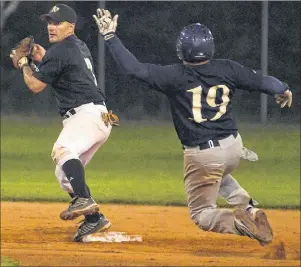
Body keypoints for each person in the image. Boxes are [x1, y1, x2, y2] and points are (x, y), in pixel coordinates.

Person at [93, 9, 293, 246]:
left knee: (201, 214)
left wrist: (110, 37)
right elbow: (261, 81)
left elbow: (134, 69)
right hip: (233, 147)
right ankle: (250, 210)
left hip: (204, 154)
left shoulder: (175, 76)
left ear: (181, 50)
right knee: (220, 174)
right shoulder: (227, 68)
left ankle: (239, 222)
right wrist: (283, 88)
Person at [10, 4, 117, 242]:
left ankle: (84, 200)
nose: (51, 26)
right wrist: (42, 58)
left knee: (62, 150)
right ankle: (94, 219)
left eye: (57, 22)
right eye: (49, 22)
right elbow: (62, 68)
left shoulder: (61, 50)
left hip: (86, 115)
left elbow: (35, 85)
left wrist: (23, 64)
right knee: (64, 175)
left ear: (71, 26)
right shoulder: (75, 46)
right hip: (96, 117)